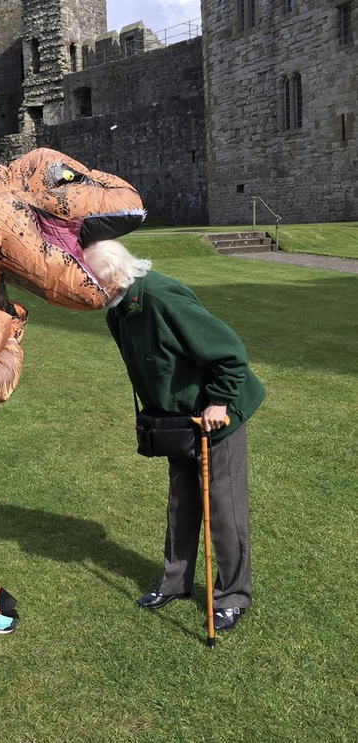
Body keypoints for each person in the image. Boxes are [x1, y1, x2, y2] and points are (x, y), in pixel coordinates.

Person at [84, 239, 265, 632]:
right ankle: (174, 582)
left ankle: (232, 596)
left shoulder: (164, 298)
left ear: (114, 276)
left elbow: (229, 353)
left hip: (218, 417)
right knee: (182, 502)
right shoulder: (116, 312)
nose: (84, 287)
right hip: (178, 423)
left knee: (223, 507)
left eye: (89, 279)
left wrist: (218, 402)